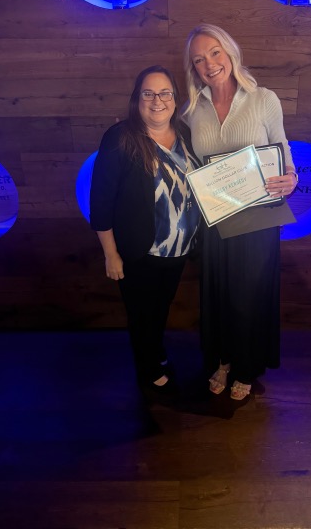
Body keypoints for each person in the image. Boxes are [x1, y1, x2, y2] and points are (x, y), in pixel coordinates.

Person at [182, 24, 298, 401]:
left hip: (258, 220)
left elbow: (282, 149)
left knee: (249, 296)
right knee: (218, 294)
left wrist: (291, 177)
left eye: (215, 53)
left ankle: (246, 366)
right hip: (215, 220)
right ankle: (223, 359)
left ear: (230, 52)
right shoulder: (190, 110)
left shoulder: (263, 99)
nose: (209, 64)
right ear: (193, 68)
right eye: (199, 59)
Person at [90, 65, 200, 397]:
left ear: (175, 98)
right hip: (139, 251)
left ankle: (153, 351)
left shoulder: (186, 134)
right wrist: (111, 254)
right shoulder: (120, 138)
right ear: (137, 99)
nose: (157, 101)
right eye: (148, 93)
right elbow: (100, 200)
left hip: (179, 249)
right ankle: (148, 369)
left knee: (161, 307)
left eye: (164, 93)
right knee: (142, 314)